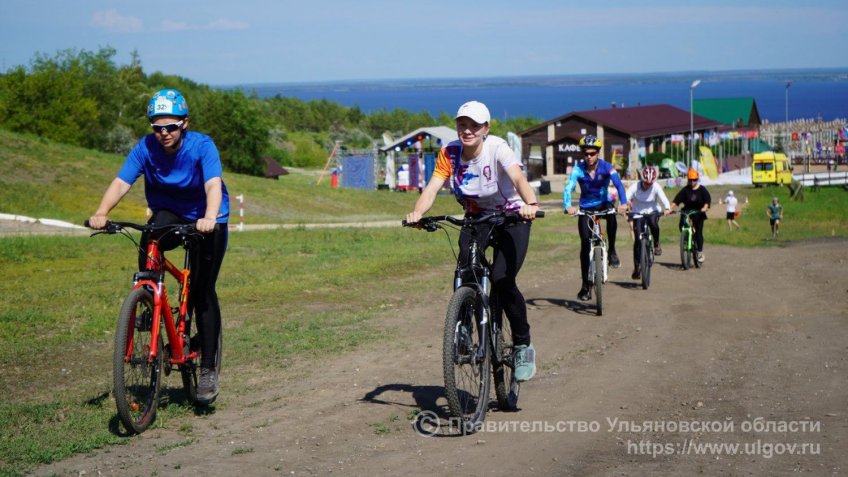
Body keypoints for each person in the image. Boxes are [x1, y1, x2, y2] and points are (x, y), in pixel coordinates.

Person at [88, 89, 229, 403]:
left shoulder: (202, 146)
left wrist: (209, 217)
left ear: (184, 124)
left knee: (202, 292)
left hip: (207, 216)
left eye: (171, 126)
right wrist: (102, 212)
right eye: (157, 127)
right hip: (170, 211)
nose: (164, 133)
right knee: (150, 234)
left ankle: (207, 369)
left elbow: (212, 184)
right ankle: (148, 299)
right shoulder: (145, 148)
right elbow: (122, 181)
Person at [405, 100, 541, 382]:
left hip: (512, 217)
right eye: (462, 124)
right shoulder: (450, 153)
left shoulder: (497, 148)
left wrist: (531, 203)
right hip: (476, 218)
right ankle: (464, 327)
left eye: (474, 126)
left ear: (485, 129)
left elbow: (518, 177)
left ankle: (522, 345)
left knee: (503, 280)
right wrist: (418, 213)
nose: (467, 131)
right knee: (465, 271)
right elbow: (432, 187)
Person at [564, 135, 628, 301]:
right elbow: (568, 187)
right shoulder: (578, 169)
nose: (589, 156)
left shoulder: (607, 168)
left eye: (592, 153)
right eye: (586, 153)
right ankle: (586, 286)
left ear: (598, 153)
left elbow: (619, 185)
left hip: (603, 203)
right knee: (585, 245)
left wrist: (624, 203)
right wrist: (568, 205)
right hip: (585, 207)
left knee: (612, 217)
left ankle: (612, 250)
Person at [626, 166, 671, 280]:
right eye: (646, 183)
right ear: (642, 179)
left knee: (654, 224)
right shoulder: (635, 186)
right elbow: (625, 197)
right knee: (637, 241)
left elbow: (664, 198)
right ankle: (637, 268)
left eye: (650, 183)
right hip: (638, 213)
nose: (648, 186)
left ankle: (656, 243)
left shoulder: (655, 186)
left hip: (652, 211)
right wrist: (624, 206)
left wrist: (667, 208)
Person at [671, 168, 711, 263]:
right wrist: (669, 209)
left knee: (698, 233)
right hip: (687, 211)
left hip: (698, 212)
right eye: (690, 180)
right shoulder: (685, 190)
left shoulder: (702, 190)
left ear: (697, 179)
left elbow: (707, 200)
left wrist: (705, 207)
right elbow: (676, 200)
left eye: (694, 180)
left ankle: (699, 252)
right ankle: (685, 238)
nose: (692, 182)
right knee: (681, 225)